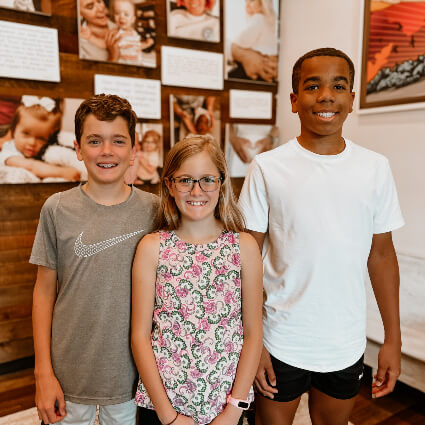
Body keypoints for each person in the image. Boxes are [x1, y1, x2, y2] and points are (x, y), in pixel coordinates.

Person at [238, 48, 405, 425]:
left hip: (343, 343)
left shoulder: (375, 169)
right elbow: (246, 258)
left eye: (338, 86)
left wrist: (392, 339)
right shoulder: (267, 167)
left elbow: (381, 256)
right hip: (278, 339)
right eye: (312, 86)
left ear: (351, 100)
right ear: (295, 101)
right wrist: (253, 342)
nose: (326, 95)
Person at [30, 94, 159, 425]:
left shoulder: (156, 211)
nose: (107, 151)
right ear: (77, 149)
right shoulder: (56, 209)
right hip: (68, 376)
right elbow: (44, 293)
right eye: (94, 141)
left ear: (134, 152)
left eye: (118, 141)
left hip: (134, 380)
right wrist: (43, 372)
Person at [132, 135, 263, 425]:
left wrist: (233, 411)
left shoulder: (244, 247)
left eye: (207, 179)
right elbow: (140, 336)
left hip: (225, 405)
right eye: (185, 180)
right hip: (163, 407)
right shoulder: (152, 247)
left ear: (221, 182)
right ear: (169, 185)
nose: (197, 190)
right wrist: (169, 417)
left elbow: (253, 333)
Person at [0, 96, 81, 182]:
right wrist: (62, 172)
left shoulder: (45, 151)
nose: (32, 142)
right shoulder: (8, 153)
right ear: (13, 131)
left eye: (41, 138)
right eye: (26, 134)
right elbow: (32, 166)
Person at [228, 0, 278, 82]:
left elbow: (243, 41)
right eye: (246, 1)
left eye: (251, 1)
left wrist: (233, 45)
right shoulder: (268, 23)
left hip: (257, 66)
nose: (247, 4)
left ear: (262, 3)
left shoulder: (258, 18)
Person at [112, 0, 154, 66]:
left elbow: (136, 47)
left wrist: (146, 44)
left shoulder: (134, 33)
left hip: (137, 63)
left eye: (126, 14)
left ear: (133, 20)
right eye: (117, 13)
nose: (121, 17)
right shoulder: (115, 33)